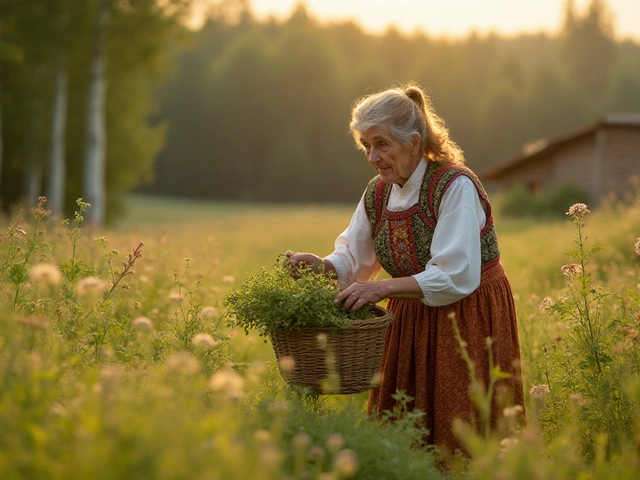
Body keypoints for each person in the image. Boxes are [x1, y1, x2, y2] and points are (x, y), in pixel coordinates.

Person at [285, 83, 525, 457]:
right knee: (401, 429)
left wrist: (381, 290)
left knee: (459, 431)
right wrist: (324, 265)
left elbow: (455, 274)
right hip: (407, 314)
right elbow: (356, 255)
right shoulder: (379, 192)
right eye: (365, 145)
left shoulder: (454, 186)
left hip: (465, 315)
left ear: (413, 142)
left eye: (381, 144)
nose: (372, 156)